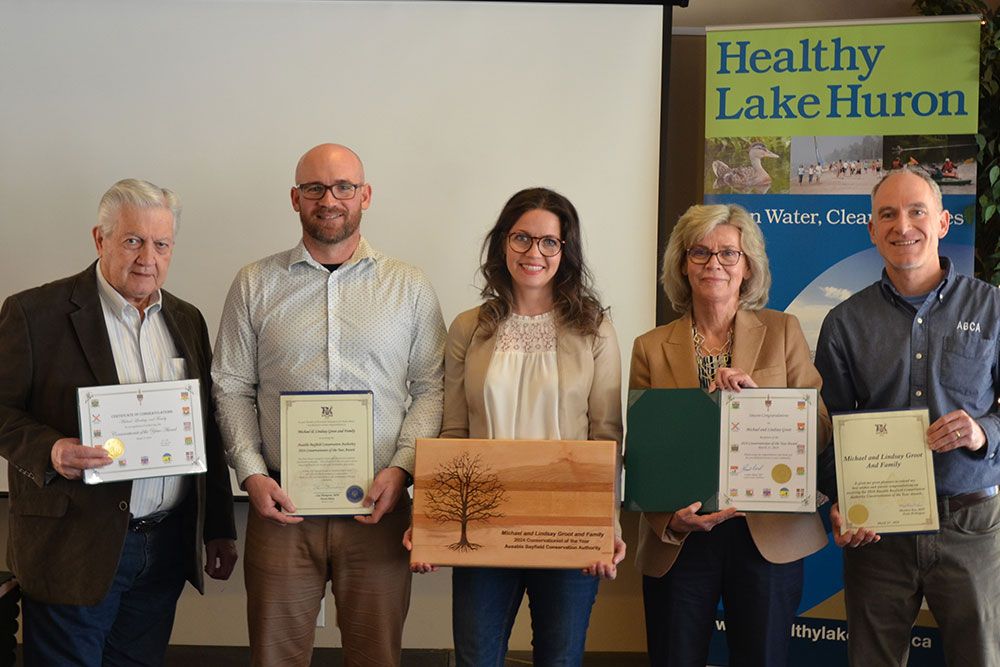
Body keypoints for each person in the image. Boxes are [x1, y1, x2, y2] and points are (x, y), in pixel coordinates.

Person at [212, 143, 446, 667]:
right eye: (314, 188)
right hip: (282, 509)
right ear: (295, 199)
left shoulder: (407, 286)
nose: (329, 199)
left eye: (343, 187)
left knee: (376, 657)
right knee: (275, 657)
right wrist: (251, 475)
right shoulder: (255, 283)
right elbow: (230, 385)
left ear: (365, 195)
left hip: (378, 509)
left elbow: (433, 387)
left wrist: (403, 470)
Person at [0, 179, 237, 666]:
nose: (147, 256)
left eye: (161, 243)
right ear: (100, 239)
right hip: (72, 548)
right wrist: (50, 449)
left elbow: (205, 428)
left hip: (164, 546)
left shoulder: (187, 319)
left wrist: (218, 527)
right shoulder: (34, 313)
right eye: (133, 240)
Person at [407, 187, 625, 666]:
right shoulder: (468, 327)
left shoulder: (594, 327)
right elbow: (455, 435)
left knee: (560, 659)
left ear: (566, 252)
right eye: (522, 238)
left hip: (567, 526)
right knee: (476, 659)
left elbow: (607, 437)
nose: (534, 253)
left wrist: (603, 526)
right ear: (503, 243)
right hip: (484, 526)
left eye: (550, 242)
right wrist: (434, 526)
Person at [814, 167, 1000, 667]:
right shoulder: (844, 323)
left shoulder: (992, 310)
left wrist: (984, 431)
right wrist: (837, 500)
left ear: (941, 222)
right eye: (887, 214)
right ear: (871, 230)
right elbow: (826, 429)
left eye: (917, 211)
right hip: (877, 533)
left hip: (970, 525)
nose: (903, 225)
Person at [631, 203, 830, 666]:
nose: (713, 264)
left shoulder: (783, 330)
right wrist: (671, 520)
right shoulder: (650, 346)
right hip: (682, 536)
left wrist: (766, 405)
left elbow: (818, 427)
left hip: (765, 533)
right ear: (682, 263)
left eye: (728, 253)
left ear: (748, 266)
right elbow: (641, 448)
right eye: (699, 252)